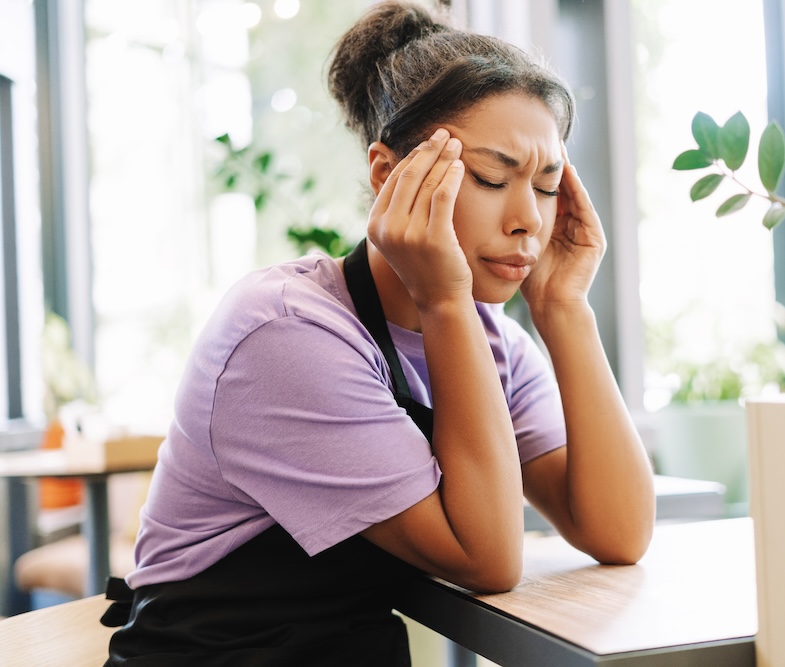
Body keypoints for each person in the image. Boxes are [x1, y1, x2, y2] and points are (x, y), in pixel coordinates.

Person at [102, 1, 655, 664]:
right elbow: (489, 557)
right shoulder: (284, 333)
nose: (527, 220)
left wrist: (566, 309)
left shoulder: (492, 340)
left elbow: (619, 531)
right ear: (390, 176)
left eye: (544, 185)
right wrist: (445, 300)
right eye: (489, 177)